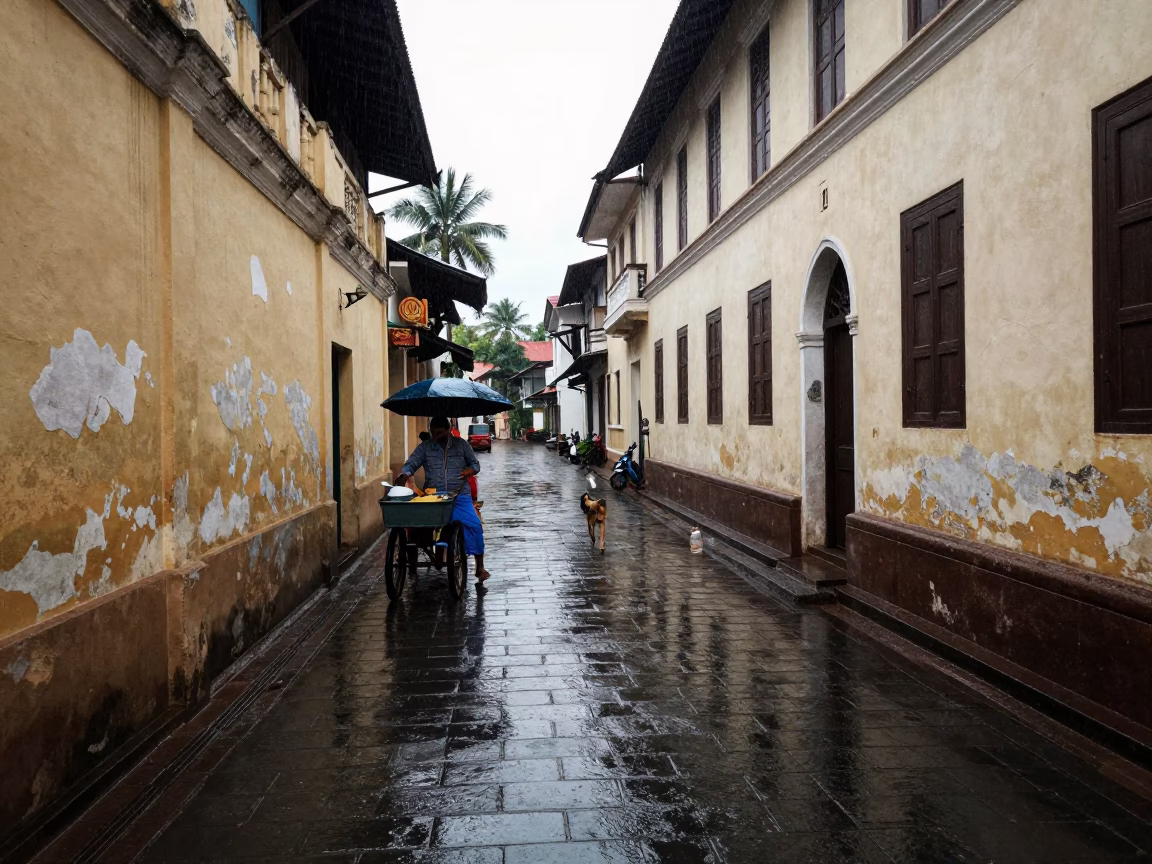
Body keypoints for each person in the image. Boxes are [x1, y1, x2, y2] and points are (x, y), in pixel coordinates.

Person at [395, 417, 489, 584]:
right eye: (433, 433)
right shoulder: (425, 448)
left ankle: (479, 567)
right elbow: (411, 463)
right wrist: (405, 474)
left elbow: (475, 465)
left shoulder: (461, 445)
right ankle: (438, 555)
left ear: (448, 429)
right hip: (434, 497)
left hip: (460, 495)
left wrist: (468, 471)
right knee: (427, 526)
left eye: (440, 433)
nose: (436, 436)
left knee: (474, 525)